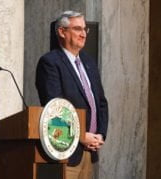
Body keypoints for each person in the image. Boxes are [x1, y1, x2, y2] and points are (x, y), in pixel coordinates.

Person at [35, 11, 108, 179]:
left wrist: (100, 135)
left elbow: (101, 102)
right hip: (65, 151)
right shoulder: (50, 62)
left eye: (85, 29)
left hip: (89, 151)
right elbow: (55, 107)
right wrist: (81, 135)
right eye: (77, 29)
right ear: (62, 31)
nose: (83, 34)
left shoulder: (89, 62)